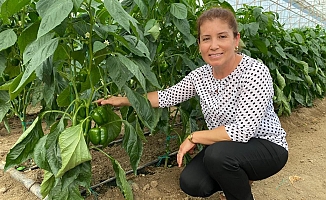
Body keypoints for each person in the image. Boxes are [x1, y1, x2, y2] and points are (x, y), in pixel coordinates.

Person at [95, 7, 288, 200]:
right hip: (225, 147)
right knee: (193, 182)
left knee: (218, 156)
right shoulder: (200, 76)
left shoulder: (254, 71)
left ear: (236, 40)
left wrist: (194, 137)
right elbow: (167, 96)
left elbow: (243, 131)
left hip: (266, 146)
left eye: (222, 37)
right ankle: (240, 180)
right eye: (206, 39)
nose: (213, 45)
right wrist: (126, 100)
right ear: (199, 44)